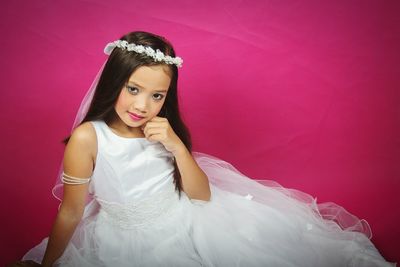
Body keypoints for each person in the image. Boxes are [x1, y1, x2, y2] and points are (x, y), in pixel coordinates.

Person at [11, 31, 396, 267]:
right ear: (113, 84)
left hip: (187, 220)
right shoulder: (89, 138)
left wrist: (176, 146)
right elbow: (72, 209)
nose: (142, 106)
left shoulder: (160, 131)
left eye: (157, 95)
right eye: (133, 89)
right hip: (122, 237)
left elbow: (201, 194)